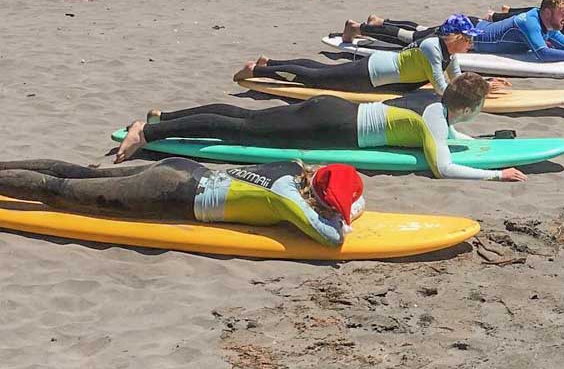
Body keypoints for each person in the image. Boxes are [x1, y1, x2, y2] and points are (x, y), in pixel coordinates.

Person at [115, 73, 528, 183]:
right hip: (328, 125)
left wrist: (478, 142)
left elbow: (452, 136)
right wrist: (496, 174)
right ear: (470, 107)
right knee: (239, 129)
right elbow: (443, 167)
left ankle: (161, 121)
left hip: (333, 112)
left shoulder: (433, 103)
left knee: (241, 120)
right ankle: (148, 135)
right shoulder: (436, 117)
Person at [0, 158, 365, 248]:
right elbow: (331, 239)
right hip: (171, 196)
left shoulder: (293, 170)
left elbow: (349, 201)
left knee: (76, 174)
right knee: (58, 193)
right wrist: (341, 221)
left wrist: (348, 205)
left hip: (182, 170)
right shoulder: (286, 198)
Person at [234, 14, 511, 96]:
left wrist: (485, 82)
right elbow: (442, 87)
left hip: (377, 71)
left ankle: (270, 63)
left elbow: (457, 78)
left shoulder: (448, 52)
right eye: (469, 40)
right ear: (457, 38)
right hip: (371, 74)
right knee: (316, 78)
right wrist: (479, 92)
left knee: (320, 70)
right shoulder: (432, 49)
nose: (471, 45)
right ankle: (257, 71)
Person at [471, 0, 564, 62]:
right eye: (562, 15)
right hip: (470, 33)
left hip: (480, 25)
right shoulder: (529, 23)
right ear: (548, 13)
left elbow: (563, 43)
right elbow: (542, 53)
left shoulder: (546, 22)